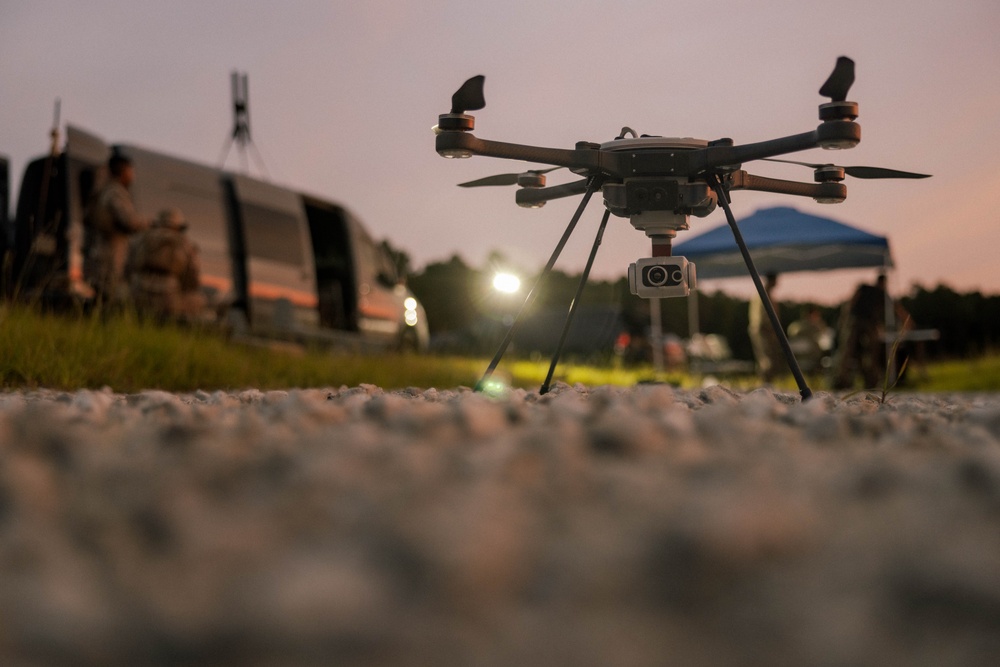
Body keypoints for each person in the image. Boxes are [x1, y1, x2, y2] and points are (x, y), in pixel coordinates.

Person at [84, 152, 149, 305]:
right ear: (123, 171)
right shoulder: (116, 192)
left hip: (102, 251)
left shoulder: (104, 190)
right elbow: (129, 221)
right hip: (110, 253)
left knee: (101, 295)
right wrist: (148, 224)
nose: (132, 175)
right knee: (107, 296)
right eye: (130, 171)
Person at [126, 208, 204, 323]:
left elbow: (127, 267)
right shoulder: (184, 243)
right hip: (169, 297)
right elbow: (192, 278)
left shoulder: (140, 238)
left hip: (137, 293)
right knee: (198, 300)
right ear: (178, 227)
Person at [833, 273, 909, 389]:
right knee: (853, 350)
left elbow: (896, 308)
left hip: (865, 322)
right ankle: (844, 379)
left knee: (864, 351)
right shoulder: (870, 289)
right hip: (860, 321)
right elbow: (897, 309)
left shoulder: (874, 291)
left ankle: (868, 380)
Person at [748, 273, 783, 382]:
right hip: (763, 331)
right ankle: (766, 383)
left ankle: (766, 383)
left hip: (761, 330)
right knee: (766, 359)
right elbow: (763, 317)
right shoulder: (763, 294)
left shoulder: (762, 294)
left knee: (766, 358)